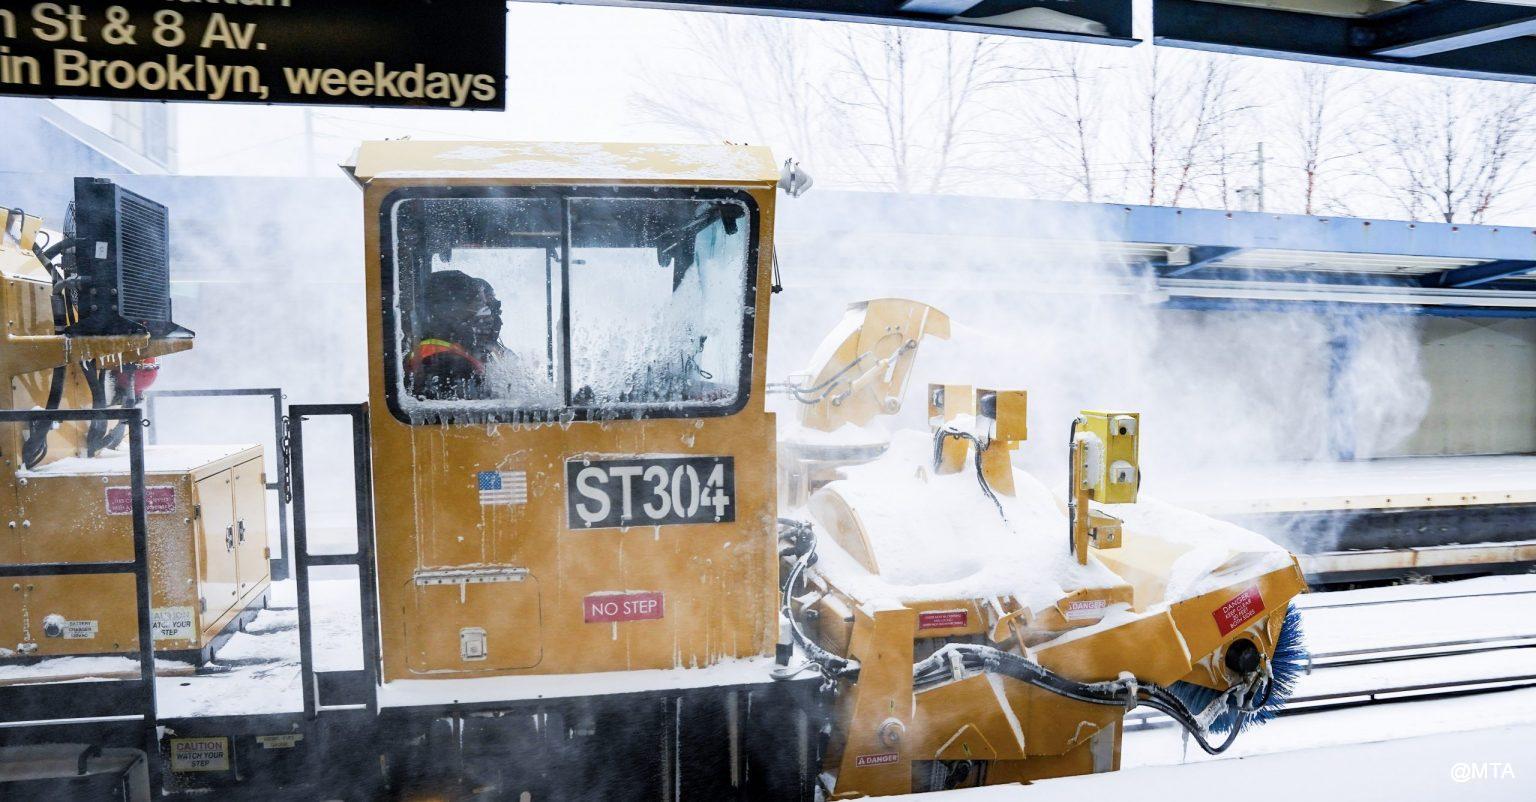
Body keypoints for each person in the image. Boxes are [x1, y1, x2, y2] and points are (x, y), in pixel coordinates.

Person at [407, 270, 503, 400]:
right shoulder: (444, 363)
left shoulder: (457, 350)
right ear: (451, 312)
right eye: (478, 304)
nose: (487, 315)